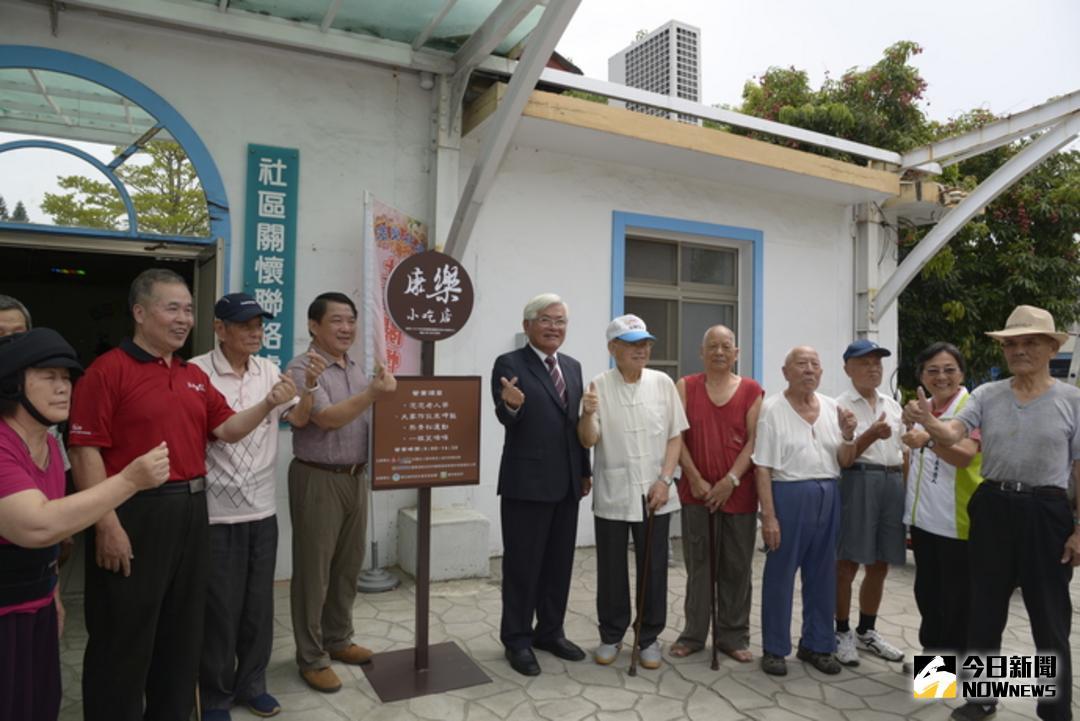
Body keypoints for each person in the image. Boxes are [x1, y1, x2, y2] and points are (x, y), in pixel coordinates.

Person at [68, 269, 297, 721]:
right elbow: (84, 450)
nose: (183, 319)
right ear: (139, 312)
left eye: (188, 309)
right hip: (134, 511)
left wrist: (269, 403)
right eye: (171, 308)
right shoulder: (108, 371)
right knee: (125, 632)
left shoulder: (191, 375)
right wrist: (106, 524)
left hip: (193, 509)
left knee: (182, 630)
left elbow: (228, 429)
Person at [905, 305, 1080, 721]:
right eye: (1011, 344)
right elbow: (953, 433)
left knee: (1049, 616)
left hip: (1047, 511)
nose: (1019, 351)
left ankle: (1055, 709)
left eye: (1030, 342)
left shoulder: (1073, 400)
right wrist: (930, 422)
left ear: (1051, 347)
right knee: (985, 609)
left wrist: (1078, 530)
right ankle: (981, 698)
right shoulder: (987, 394)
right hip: (992, 506)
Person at [0, 328, 169, 721]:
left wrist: (53, 595)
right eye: (48, 377)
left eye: (66, 378)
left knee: (38, 704)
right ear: (12, 384)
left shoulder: (47, 443)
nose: (64, 388)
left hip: (36, 605)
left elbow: (54, 536)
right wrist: (129, 481)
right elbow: (35, 526)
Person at [191, 293, 321, 720]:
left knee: (258, 606)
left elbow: (297, 419)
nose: (255, 332)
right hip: (215, 510)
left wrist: (308, 389)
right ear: (220, 329)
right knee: (218, 608)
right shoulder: (196, 372)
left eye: (259, 325)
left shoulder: (268, 370)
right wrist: (269, 402)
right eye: (245, 325)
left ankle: (252, 684)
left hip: (262, 508)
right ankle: (215, 694)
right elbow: (212, 431)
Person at [284, 292, 396, 693]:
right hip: (318, 478)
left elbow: (368, 417)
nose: (346, 328)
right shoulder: (303, 368)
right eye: (336, 320)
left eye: (351, 320)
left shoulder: (357, 368)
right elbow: (327, 418)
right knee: (313, 572)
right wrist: (373, 394)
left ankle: (338, 638)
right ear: (313, 326)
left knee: (347, 566)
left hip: (354, 476)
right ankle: (311, 656)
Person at [578, 314, 687, 670]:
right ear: (613, 348)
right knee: (611, 569)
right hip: (614, 490)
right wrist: (587, 415)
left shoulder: (663, 383)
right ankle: (611, 634)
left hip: (656, 492)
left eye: (645, 344)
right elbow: (588, 440)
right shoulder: (598, 385)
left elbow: (675, 436)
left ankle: (649, 637)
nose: (641, 350)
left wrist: (665, 479)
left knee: (654, 568)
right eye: (632, 344)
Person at [491, 293, 591, 677]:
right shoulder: (510, 363)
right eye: (546, 320)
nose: (554, 327)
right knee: (523, 566)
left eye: (560, 321)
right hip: (526, 485)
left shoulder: (573, 366)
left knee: (558, 565)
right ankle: (517, 640)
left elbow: (575, 425)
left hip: (567, 484)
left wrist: (584, 470)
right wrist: (512, 404)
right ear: (528, 325)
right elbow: (506, 417)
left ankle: (550, 632)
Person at [752, 346, 858, 676]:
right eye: (801, 364)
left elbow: (845, 460)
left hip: (829, 494)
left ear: (822, 372)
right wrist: (768, 516)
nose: (809, 369)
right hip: (789, 495)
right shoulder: (772, 409)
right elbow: (762, 467)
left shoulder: (832, 407)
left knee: (824, 575)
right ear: (786, 372)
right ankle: (774, 648)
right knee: (780, 575)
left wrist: (849, 435)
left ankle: (817, 644)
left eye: (815, 364)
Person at [670, 325, 763, 663]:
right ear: (701, 352)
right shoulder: (686, 386)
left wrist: (731, 480)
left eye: (726, 346)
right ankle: (693, 634)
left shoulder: (751, 390)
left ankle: (732, 636)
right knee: (699, 567)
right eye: (713, 346)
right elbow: (676, 436)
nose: (719, 352)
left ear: (736, 353)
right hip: (696, 493)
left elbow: (754, 440)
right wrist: (694, 478)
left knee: (737, 568)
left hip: (738, 493)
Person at [900, 342, 982, 656]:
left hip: (958, 523)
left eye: (949, 370)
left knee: (956, 604)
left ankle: (946, 671)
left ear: (961, 373)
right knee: (928, 596)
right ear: (922, 376)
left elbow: (965, 456)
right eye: (932, 370)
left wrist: (929, 439)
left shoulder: (972, 408)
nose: (941, 377)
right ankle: (934, 663)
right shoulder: (924, 407)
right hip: (924, 521)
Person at [833, 339, 906, 666]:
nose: (873, 368)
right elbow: (844, 459)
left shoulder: (893, 405)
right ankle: (841, 631)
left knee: (880, 562)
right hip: (859, 480)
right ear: (847, 368)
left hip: (893, 482)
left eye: (877, 362)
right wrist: (871, 435)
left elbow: (904, 451)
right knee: (847, 561)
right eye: (864, 362)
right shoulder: (838, 407)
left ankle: (867, 629)